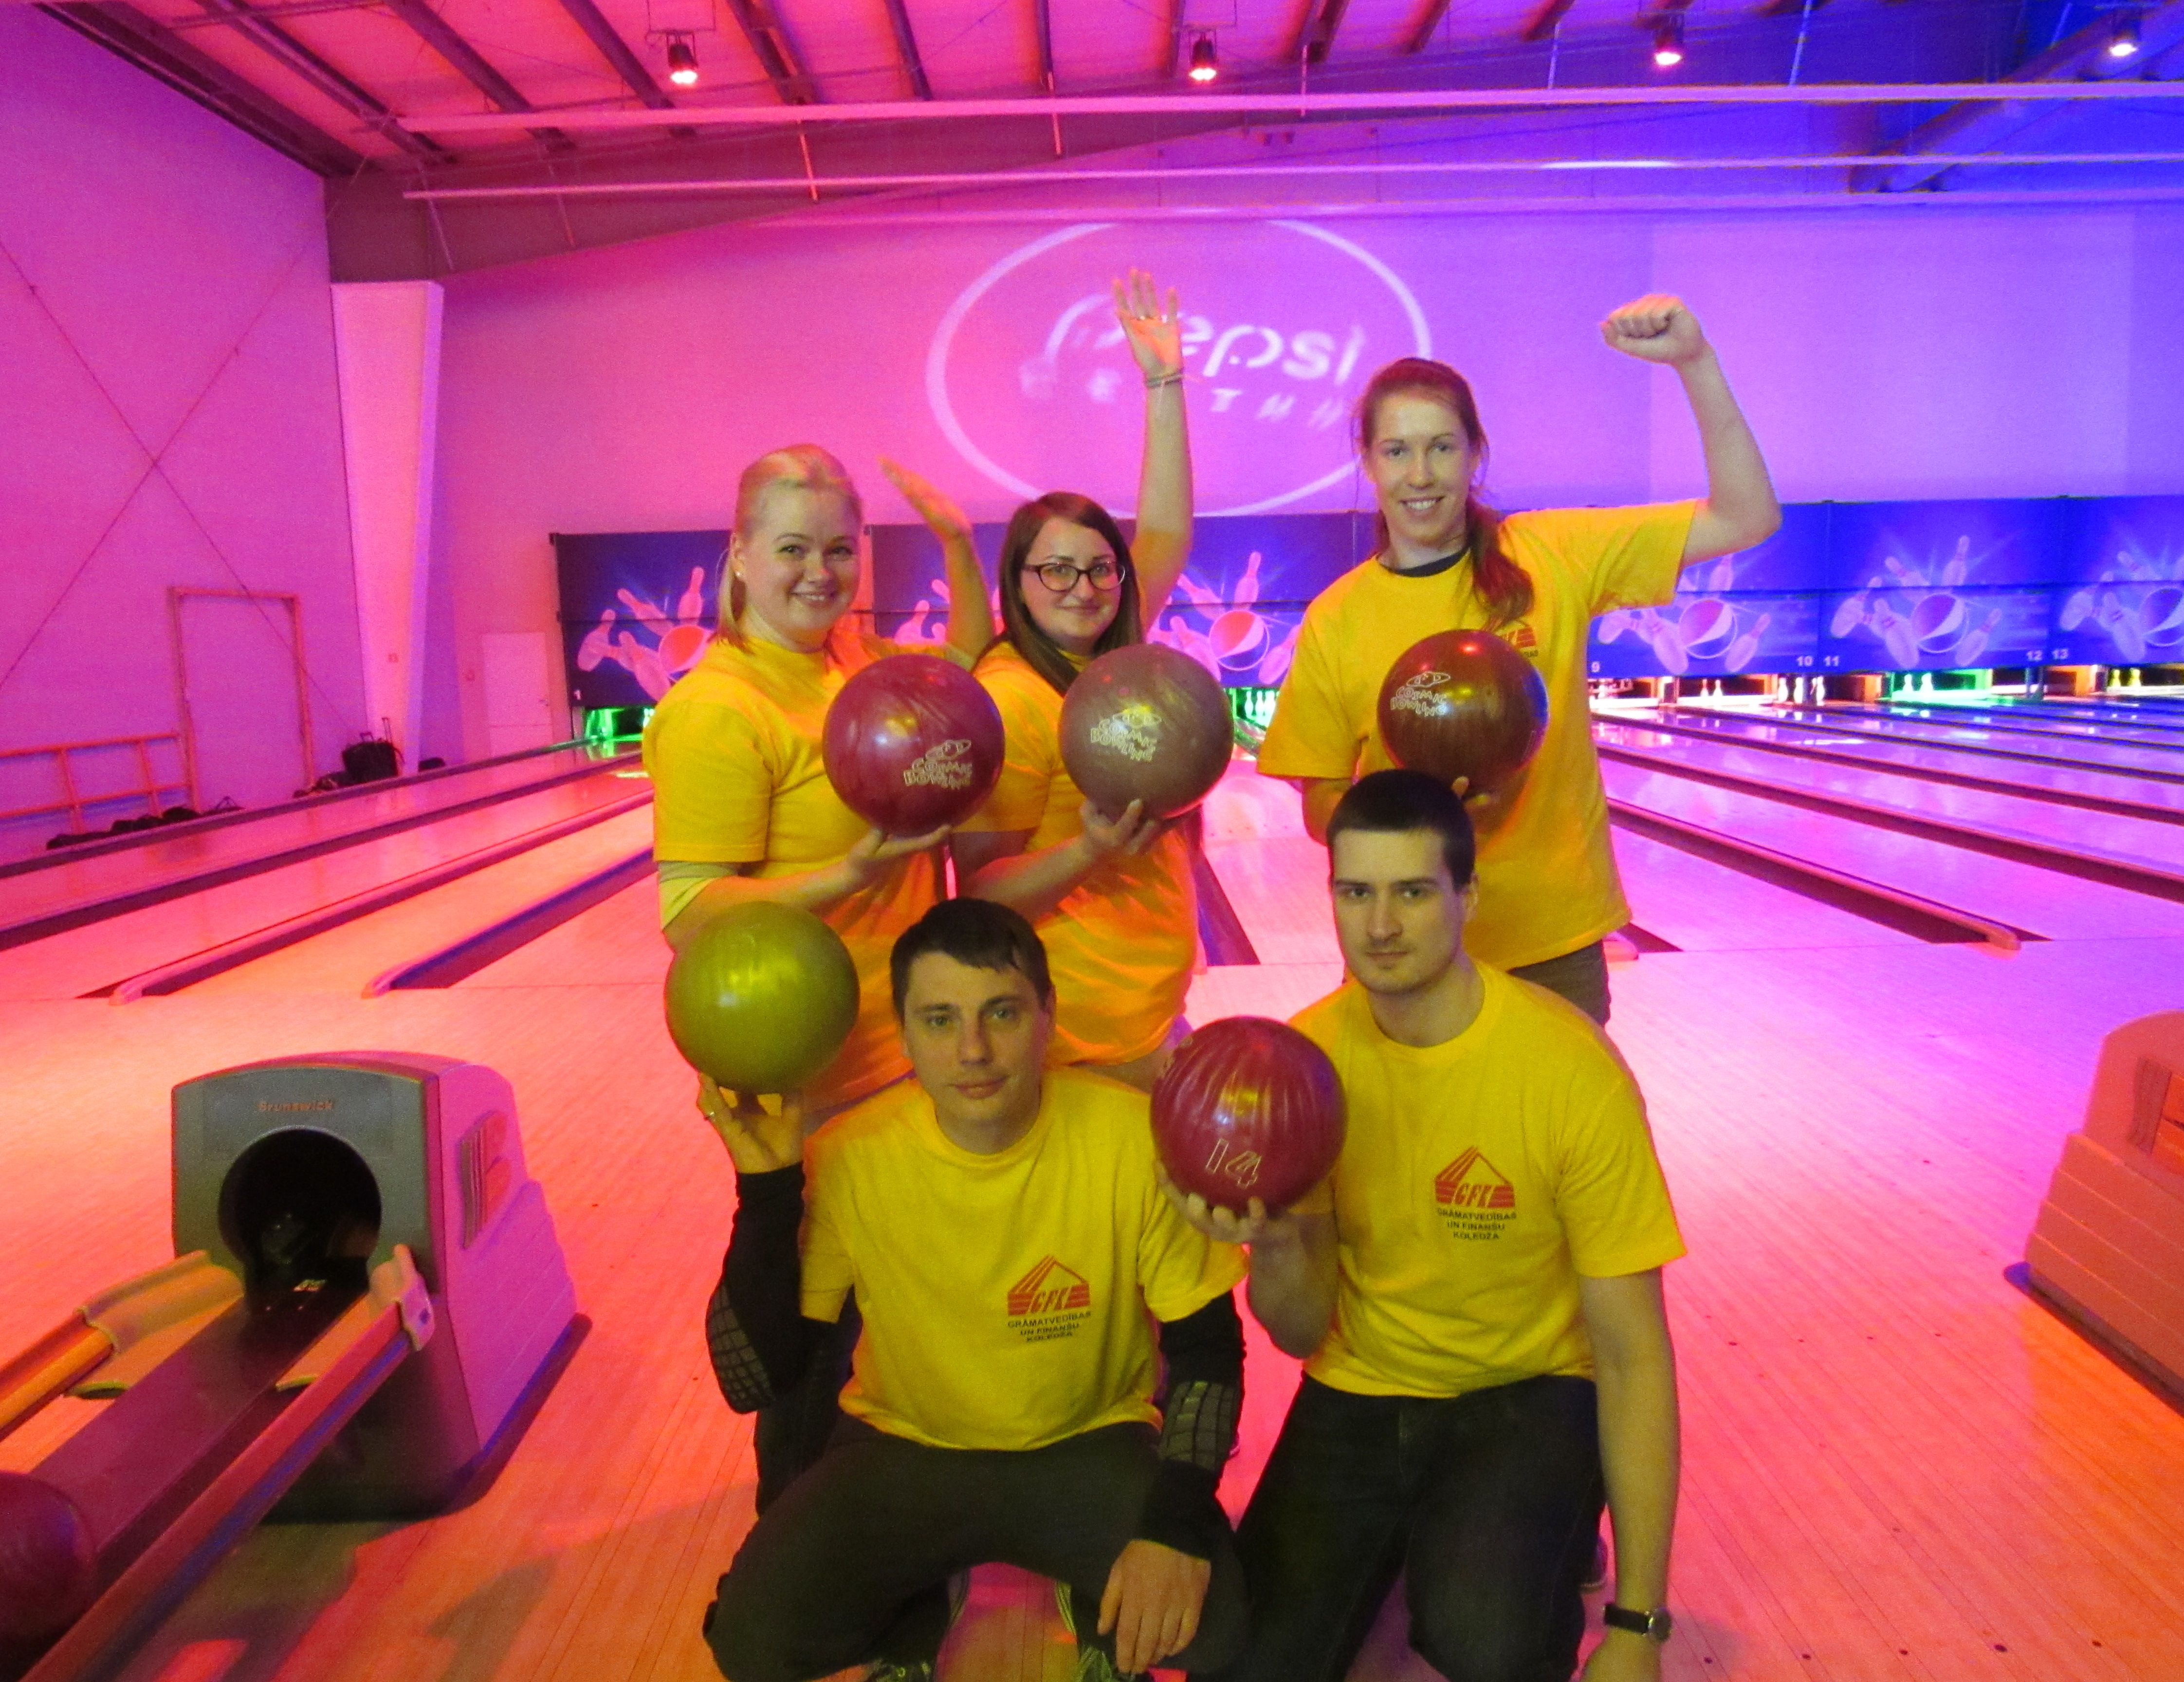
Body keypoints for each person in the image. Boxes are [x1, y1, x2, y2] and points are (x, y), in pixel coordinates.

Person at [1178, 770, 1686, 1682]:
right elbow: (1300, 1330)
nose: (1380, 926)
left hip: (1528, 1390)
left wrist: (1638, 1626)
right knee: (1245, 1662)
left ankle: (1544, 1525)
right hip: (1362, 1386)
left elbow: (1633, 1356)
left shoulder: (1569, 1070)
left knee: (1484, 1644)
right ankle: (1453, 1535)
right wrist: (1278, 1238)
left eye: (1412, 893)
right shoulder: (1304, 1068)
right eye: (1356, 893)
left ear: (1468, 897)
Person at [698, 897, 1251, 1682]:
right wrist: (766, 1190)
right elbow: (753, 1378)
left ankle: (1091, 1592)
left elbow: (1209, 1349)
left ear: (1049, 1015)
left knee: (1220, 1633)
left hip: (1088, 1444)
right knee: (752, 1646)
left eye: (1002, 1013)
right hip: (902, 1447)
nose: (973, 1050)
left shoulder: (1135, 1137)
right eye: (939, 1020)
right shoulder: (852, 1153)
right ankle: (926, 1600)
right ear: (904, 1034)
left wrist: (1175, 1527)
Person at [1256, 297, 1780, 1023]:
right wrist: (1415, 816)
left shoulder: (1552, 555)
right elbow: (1319, 807)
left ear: (1476, 453)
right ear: (1368, 461)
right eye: (1397, 451)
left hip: (1553, 943)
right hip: (1403, 948)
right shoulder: (1338, 617)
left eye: (1443, 447)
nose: (1420, 474)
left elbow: (1748, 516)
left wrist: (1696, 363)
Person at [643, 443, 992, 1506]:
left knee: (900, 1329)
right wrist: (849, 874)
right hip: (817, 1077)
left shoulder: (848, 663)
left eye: (840, 550)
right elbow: (690, 914)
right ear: (740, 555)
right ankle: (801, 1532)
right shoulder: (718, 709)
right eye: (793, 549)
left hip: (906, 1057)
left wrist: (958, 541)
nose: (818, 572)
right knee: (819, 1346)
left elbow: (958, 676)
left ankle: (904, 1526)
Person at [951, 269, 1202, 1090]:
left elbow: (1163, 529)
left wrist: (1164, 383)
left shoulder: (1115, 659)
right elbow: (982, 893)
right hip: (1078, 1041)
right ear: (1018, 583)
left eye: (1099, 568)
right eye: (1055, 570)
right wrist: (1090, 850)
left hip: (1149, 1018)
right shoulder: (1007, 698)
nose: (1082, 588)